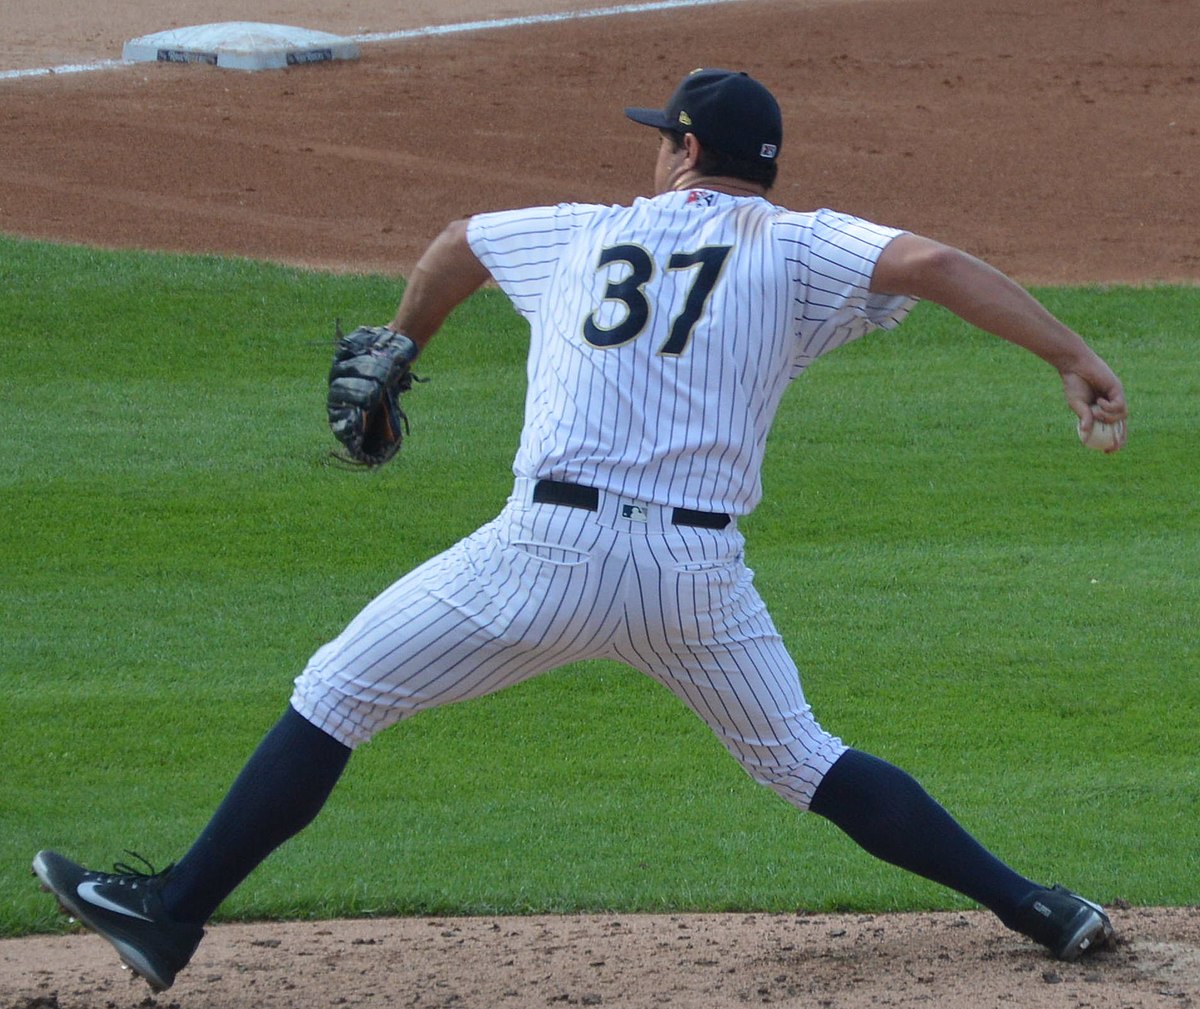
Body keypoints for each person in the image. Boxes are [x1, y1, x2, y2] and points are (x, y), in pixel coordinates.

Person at [33, 67, 1127, 993]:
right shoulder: (799, 248)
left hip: (540, 558)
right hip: (694, 576)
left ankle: (172, 910)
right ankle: (1037, 905)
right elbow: (930, 268)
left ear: (686, 150)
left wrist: (404, 344)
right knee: (804, 759)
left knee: (338, 692)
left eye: (665, 140)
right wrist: (1071, 356)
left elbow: (458, 242)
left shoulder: (579, 235)